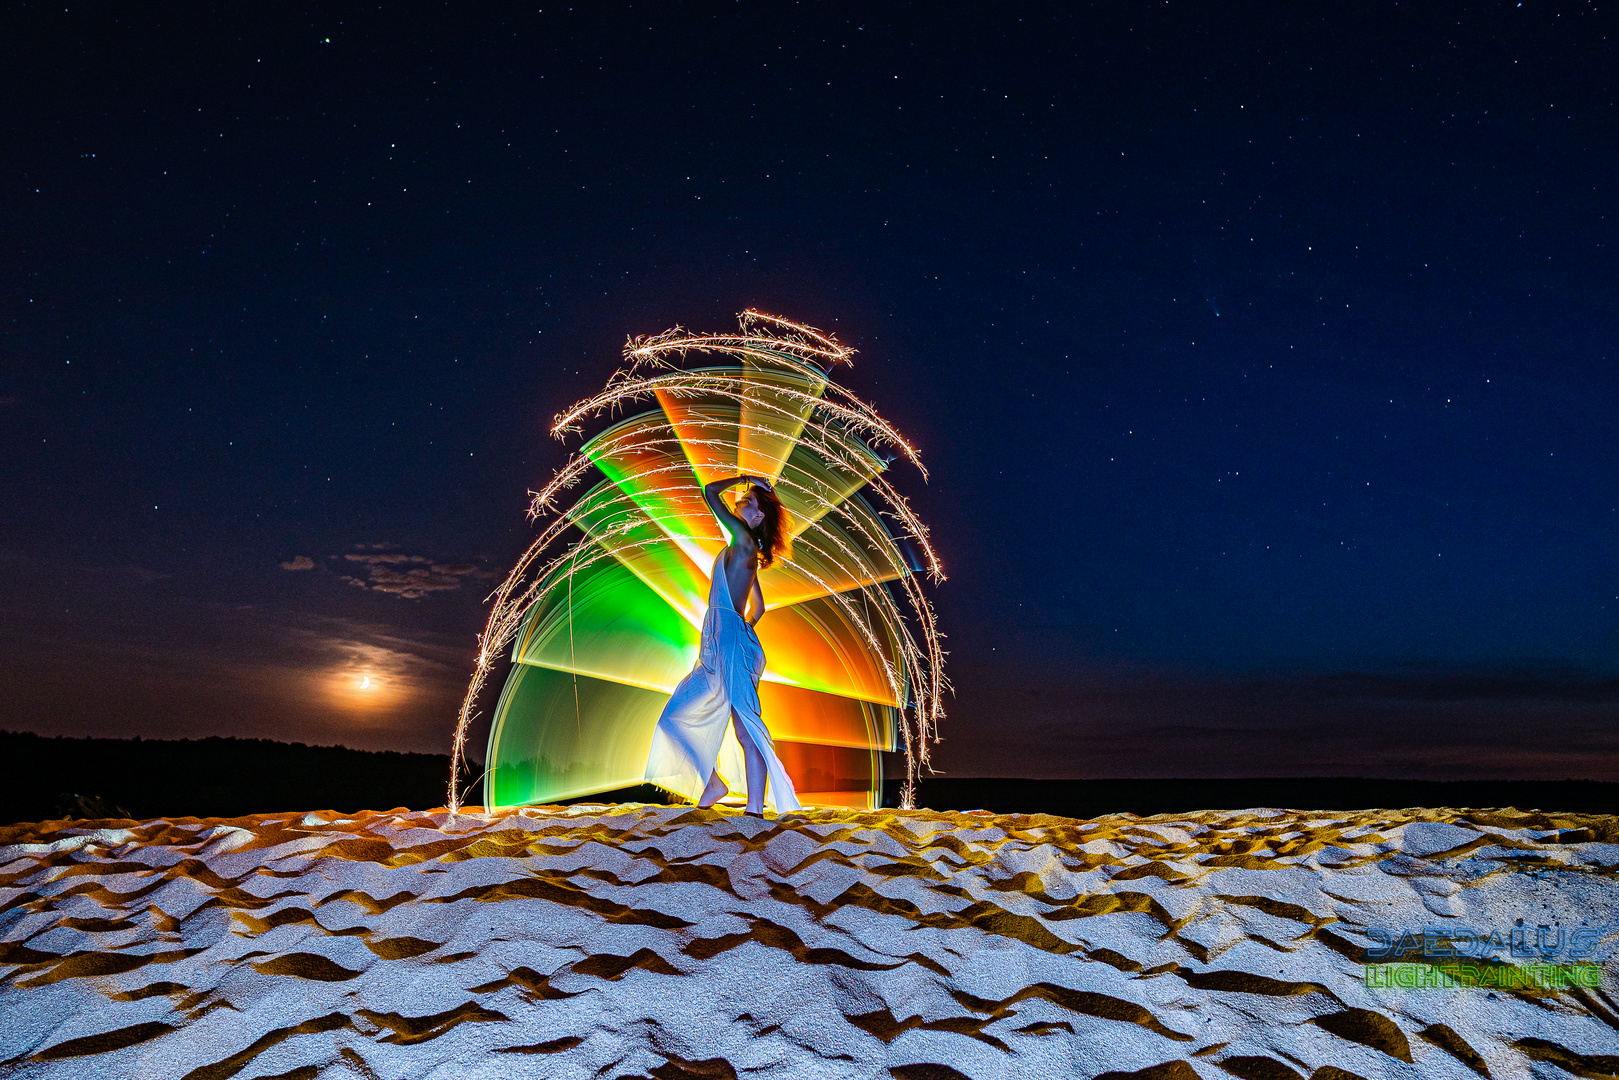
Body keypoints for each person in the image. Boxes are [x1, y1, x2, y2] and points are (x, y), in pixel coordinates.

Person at [643, 474, 802, 816]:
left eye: (747, 502)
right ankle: (714, 783)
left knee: (745, 725)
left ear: (758, 518)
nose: (739, 502)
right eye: (741, 498)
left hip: (726, 640)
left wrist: (746, 477)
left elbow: (710, 491)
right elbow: (758, 608)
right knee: (674, 717)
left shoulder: (743, 539)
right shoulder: (741, 548)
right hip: (719, 640)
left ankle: (755, 810)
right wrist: (738, 627)